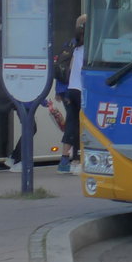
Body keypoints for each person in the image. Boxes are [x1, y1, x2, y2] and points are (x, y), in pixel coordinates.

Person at [57, 15, 86, 174]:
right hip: (82, 90)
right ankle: (78, 160)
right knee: (85, 126)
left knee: (71, 124)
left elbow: (68, 69)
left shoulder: (73, 46)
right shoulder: (90, 47)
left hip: (71, 90)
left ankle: (64, 161)